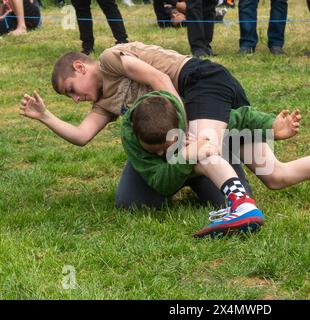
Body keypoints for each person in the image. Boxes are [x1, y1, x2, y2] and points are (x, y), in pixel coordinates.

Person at [19, 42, 259, 209]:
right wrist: (45, 116)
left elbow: (160, 79)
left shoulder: (110, 60)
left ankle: (211, 167)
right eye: (69, 97)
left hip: (191, 104)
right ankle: (187, 169)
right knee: (131, 202)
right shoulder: (104, 104)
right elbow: (82, 135)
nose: (76, 99)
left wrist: (185, 133)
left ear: (80, 68)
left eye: (71, 90)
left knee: (221, 199)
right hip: (163, 145)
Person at [122, 91, 310, 238]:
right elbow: (161, 182)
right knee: (134, 201)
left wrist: (271, 127)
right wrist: (184, 155)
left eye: (164, 147)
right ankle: (240, 201)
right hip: (198, 158)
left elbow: (238, 117)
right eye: (152, 150)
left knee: (276, 174)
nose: (159, 153)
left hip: (221, 147)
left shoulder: (193, 112)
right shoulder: (133, 132)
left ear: (179, 128)